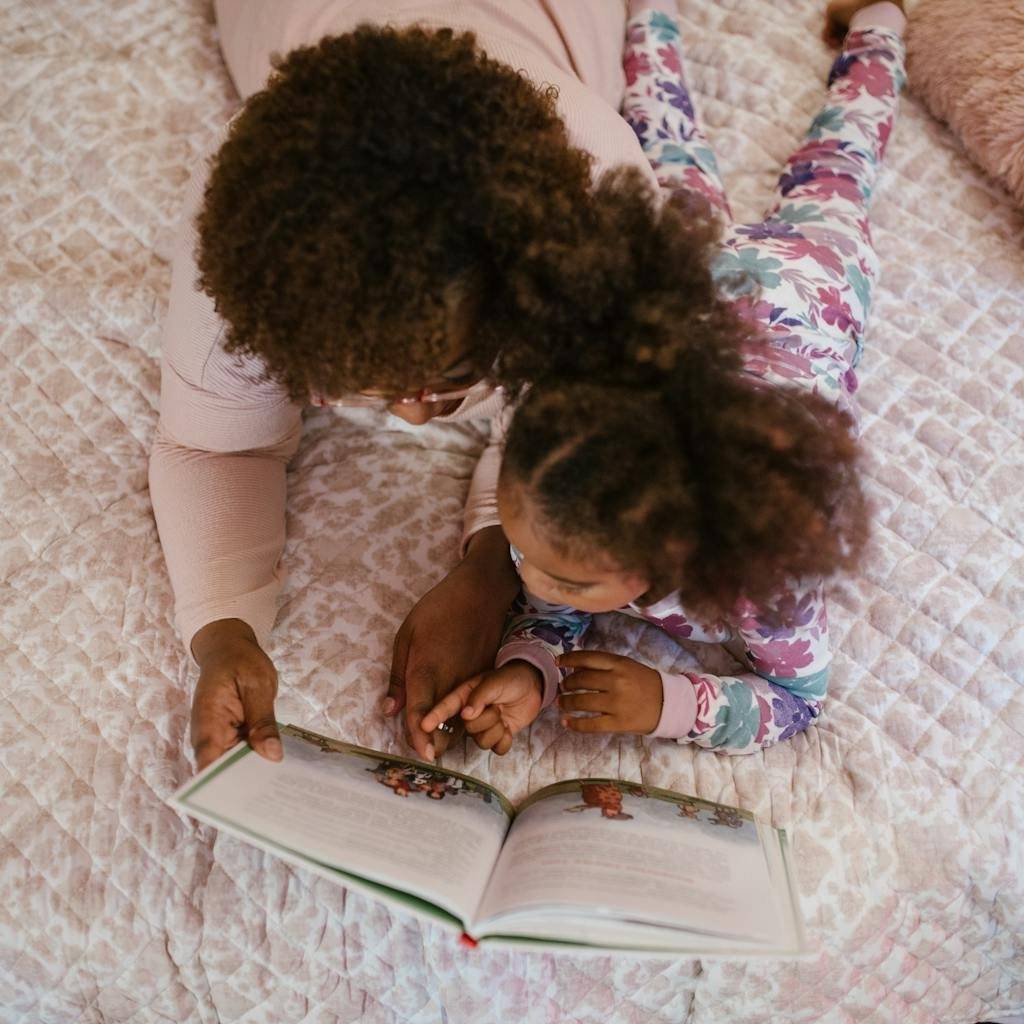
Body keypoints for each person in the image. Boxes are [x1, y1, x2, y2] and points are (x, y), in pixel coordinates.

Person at [152, 1, 714, 771]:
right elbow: (209, 444)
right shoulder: (242, 244)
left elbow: (570, 423)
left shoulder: (595, 214)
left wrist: (492, 563)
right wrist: (223, 633)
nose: (414, 417)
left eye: (448, 380)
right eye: (365, 390)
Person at [421, 0, 906, 755]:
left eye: (568, 583)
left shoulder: (764, 586)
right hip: (687, 280)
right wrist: (527, 667)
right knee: (652, 124)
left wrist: (672, 701)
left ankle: (880, 23)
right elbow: (548, 593)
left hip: (814, 275)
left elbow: (799, 698)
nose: (533, 582)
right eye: (524, 553)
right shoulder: (565, 505)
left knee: (842, 159)